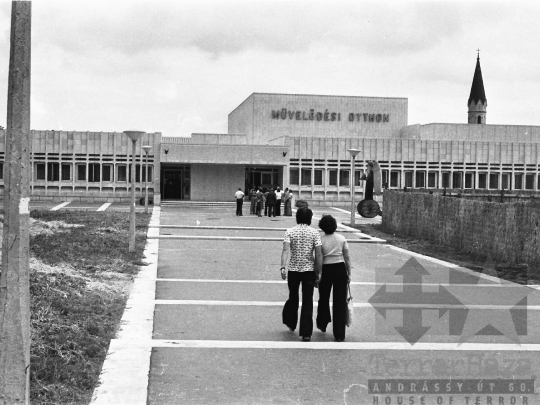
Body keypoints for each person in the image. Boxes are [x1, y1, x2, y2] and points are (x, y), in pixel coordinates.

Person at [280, 208, 323, 341]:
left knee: (293, 297)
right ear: (310, 218)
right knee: (307, 300)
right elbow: (319, 254)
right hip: (308, 271)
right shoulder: (315, 233)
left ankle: (291, 323)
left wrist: (283, 267)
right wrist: (319, 272)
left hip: (293, 270)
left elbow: (285, 250)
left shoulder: (290, 231)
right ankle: (306, 332)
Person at [316, 215, 352, 342]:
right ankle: (339, 334)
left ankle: (322, 322)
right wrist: (349, 273)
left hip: (326, 269)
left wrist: (318, 273)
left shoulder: (320, 239)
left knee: (324, 298)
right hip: (340, 269)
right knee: (340, 302)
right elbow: (347, 257)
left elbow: (319, 257)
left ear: (322, 226)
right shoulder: (342, 238)